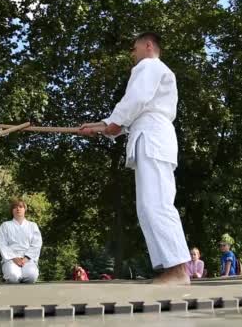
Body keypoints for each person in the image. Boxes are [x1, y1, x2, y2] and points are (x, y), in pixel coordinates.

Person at [79, 32, 190, 285]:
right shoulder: (156, 73)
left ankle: (178, 270)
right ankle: (171, 268)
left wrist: (112, 123)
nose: (133, 53)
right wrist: (100, 126)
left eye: (135, 47)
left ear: (148, 45)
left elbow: (135, 100)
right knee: (147, 206)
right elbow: (131, 114)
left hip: (152, 137)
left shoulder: (149, 66)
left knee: (157, 204)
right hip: (148, 135)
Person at [0, 199, 43, 283]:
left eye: (20, 207)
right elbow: (3, 244)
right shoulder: (5, 225)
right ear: (12, 211)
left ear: (25, 209)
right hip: (11, 259)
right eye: (15, 207)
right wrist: (15, 258)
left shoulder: (32, 226)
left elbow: (36, 244)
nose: (18, 209)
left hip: (28, 259)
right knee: (13, 276)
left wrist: (26, 259)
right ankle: (7, 276)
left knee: (31, 276)